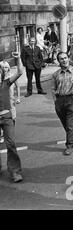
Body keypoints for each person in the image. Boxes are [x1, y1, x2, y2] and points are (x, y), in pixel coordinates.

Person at [52, 52, 73, 155]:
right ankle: (72, 137)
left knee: (70, 125)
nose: (64, 60)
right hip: (60, 100)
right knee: (65, 124)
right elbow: (53, 89)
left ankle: (69, 146)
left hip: (72, 99)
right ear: (59, 61)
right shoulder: (56, 74)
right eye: (61, 59)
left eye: (65, 58)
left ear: (68, 58)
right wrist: (55, 101)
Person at [0, 52, 24, 183]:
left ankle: (15, 171)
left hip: (7, 117)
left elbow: (20, 72)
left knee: (11, 144)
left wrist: (18, 58)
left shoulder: (5, 83)